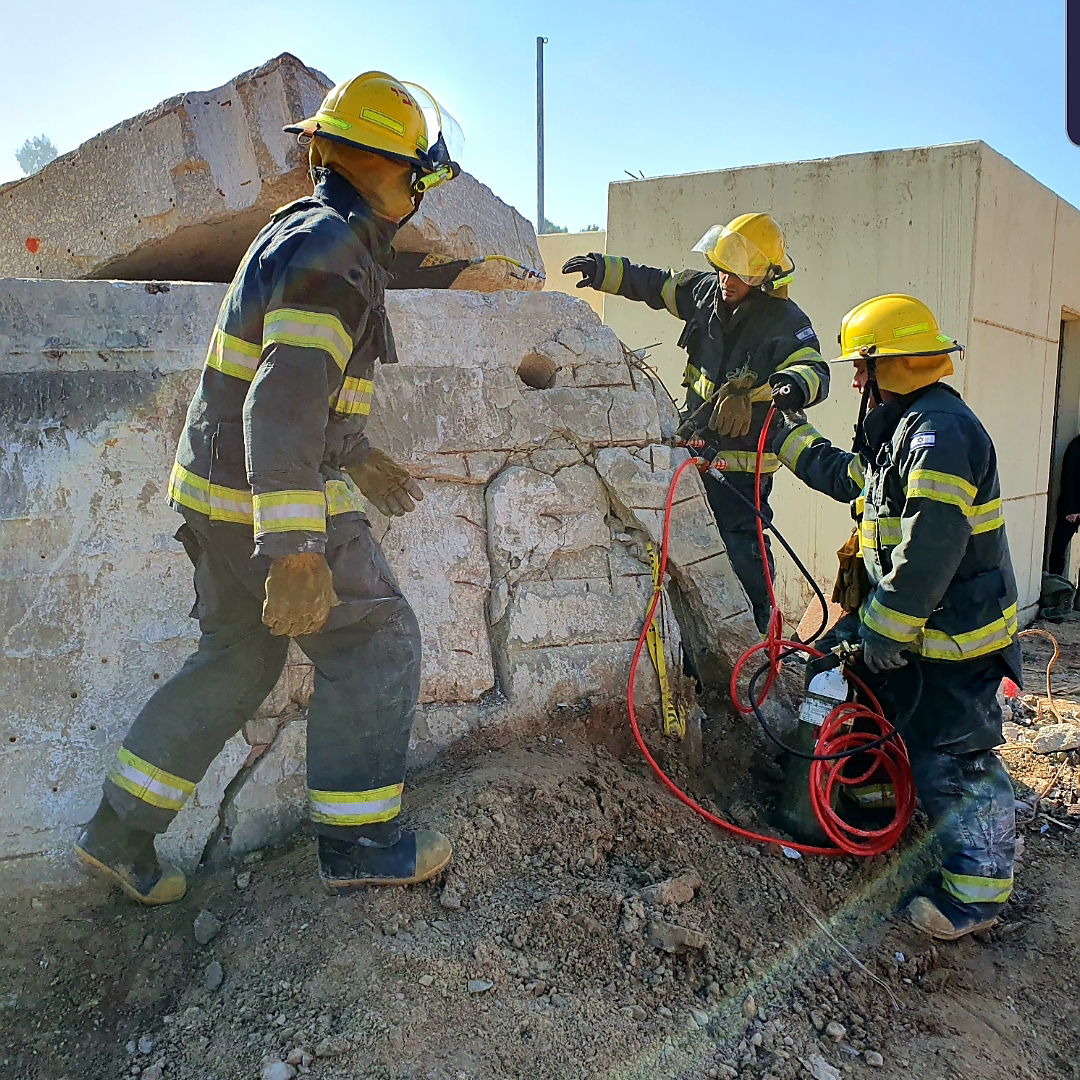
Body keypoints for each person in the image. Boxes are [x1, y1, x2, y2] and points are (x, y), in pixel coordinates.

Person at [75, 71, 462, 905]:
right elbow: (281, 397)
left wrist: (356, 452)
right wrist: (293, 551)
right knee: (376, 639)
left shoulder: (307, 233)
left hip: (212, 493)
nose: (420, 193)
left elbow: (300, 382)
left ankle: (119, 832)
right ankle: (361, 840)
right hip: (264, 500)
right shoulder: (334, 250)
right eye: (418, 175)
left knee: (239, 658)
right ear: (385, 166)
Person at [773, 294, 1019, 941]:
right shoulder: (903, 429)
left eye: (863, 366)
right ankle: (874, 818)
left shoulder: (941, 434)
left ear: (895, 367)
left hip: (953, 639)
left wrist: (880, 631)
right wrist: (786, 433)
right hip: (913, 626)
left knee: (954, 759)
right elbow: (850, 477)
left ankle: (976, 894)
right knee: (840, 680)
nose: (854, 379)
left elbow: (929, 549)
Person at [562, 215, 829, 632]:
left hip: (742, 468)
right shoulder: (705, 293)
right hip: (693, 450)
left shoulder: (785, 321)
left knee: (743, 550)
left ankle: (760, 637)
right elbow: (655, 284)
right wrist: (603, 269)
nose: (728, 279)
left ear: (763, 278)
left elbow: (813, 368)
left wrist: (790, 387)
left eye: (740, 273)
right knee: (684, 548)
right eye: (724, 266)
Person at [1048, 432, 1080, 582]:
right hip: (1072, 507)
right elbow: (1068, 477)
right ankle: (1056, 587)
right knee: (1058, 549)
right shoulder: (1077, 446)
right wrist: (1070, 509)